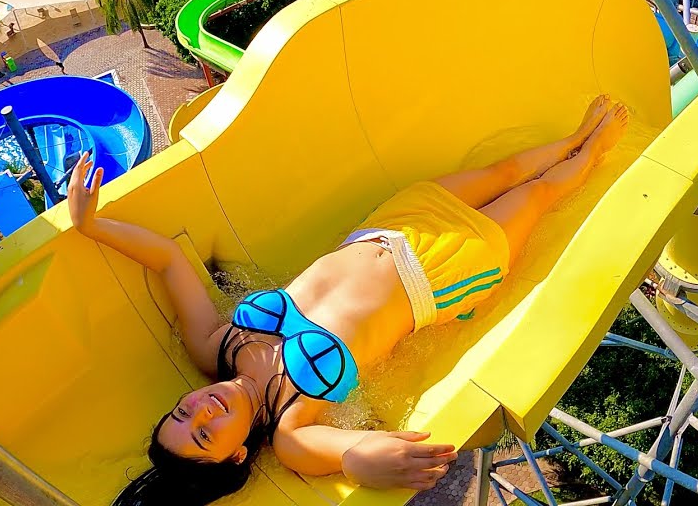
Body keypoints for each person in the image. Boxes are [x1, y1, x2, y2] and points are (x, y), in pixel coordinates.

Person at [74, 97, 631, 505]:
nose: (201, 410)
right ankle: (593, 153)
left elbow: (170, 260)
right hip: (440, 276)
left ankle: (574, 137)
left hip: (388, 227)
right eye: (203, 435)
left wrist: (91, 224)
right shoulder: (292, 430)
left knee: (502, 172)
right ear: (237, 454)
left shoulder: (213, 346)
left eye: (182, 413)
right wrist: (371, 461)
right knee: (537, 192)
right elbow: (348, 452)